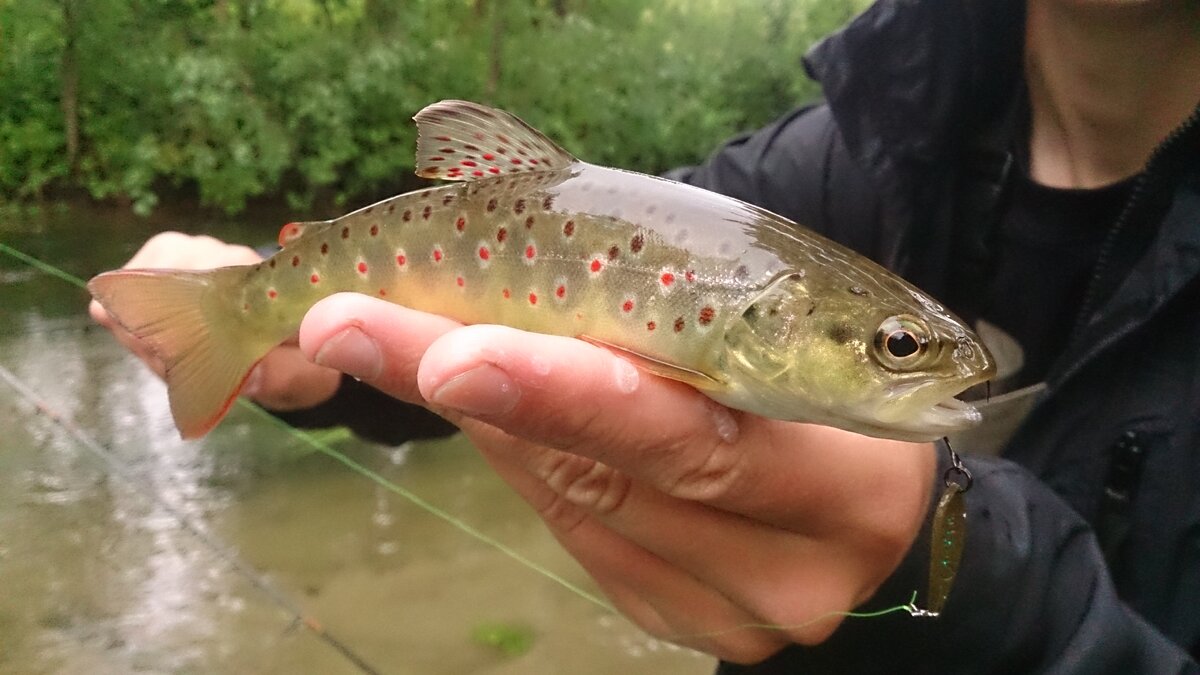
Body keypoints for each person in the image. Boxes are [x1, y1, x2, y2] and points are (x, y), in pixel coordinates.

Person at [91, 0, 1200, 671]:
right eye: (897, 350)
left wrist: (985, 608)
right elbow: (522, 323)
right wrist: (307, 361)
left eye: (894, 351)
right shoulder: (855, 145)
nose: (921, 364)